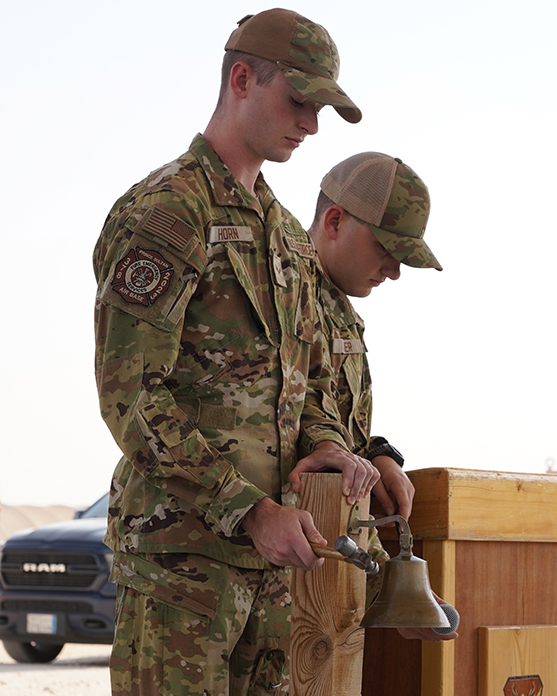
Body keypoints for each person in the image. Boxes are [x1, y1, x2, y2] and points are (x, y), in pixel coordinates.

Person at [92, 9, 386, 695]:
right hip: (182, 569)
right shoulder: (167, 214)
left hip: (274, 572)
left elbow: (307, 383)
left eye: (321, 110)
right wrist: (249, 511)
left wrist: (326, 446)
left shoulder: (283, 234)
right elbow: (133, 396)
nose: (311, 125)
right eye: (299, 102)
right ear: (243, 79)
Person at [304, 152, 450, 642]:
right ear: (335, 220)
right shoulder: (276, 296)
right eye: (386, 249)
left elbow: (328, 417)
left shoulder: (340, 310)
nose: (394, 271)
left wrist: (376, 455)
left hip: (320, 573)